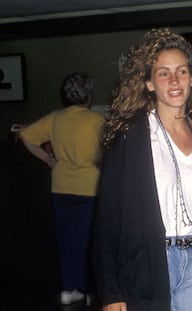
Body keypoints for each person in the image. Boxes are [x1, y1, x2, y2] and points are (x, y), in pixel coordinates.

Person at [93, 28, 192, 311]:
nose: (175, 80)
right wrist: (111, 290)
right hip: (148, 264)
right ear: (150, 83)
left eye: (181, 71)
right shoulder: (131, 138)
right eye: (163, 73)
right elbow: (108, 217)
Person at [19, 72, 104, 305]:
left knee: (67, 241)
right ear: (89, 95)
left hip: (61, 187)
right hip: (90, 188)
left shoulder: (55, 118)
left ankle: (68, 290)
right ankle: (88, 292)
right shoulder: (97, 121)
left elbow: (26, 136)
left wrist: (48, 160)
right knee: (89, 242)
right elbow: (107, 152)